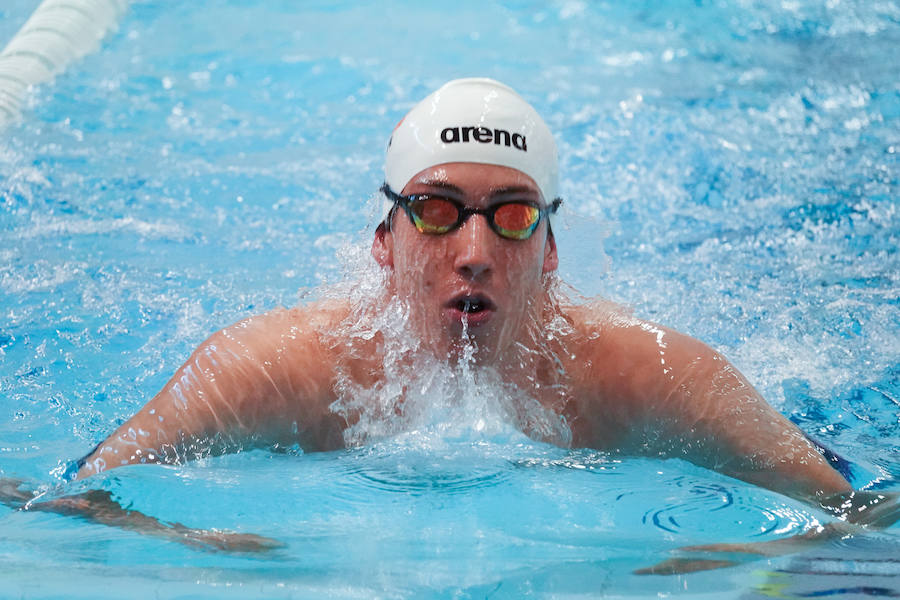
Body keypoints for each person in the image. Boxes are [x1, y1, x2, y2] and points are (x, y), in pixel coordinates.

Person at [2, 78, 895, 566]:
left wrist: (728, 558)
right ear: (385, 240)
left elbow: (861, 512)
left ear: (549, 252)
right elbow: (61, 496)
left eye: (511, 215)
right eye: (437, 210)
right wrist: (199, 544)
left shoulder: (646, 378)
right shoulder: (279, 372)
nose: (473, 251)